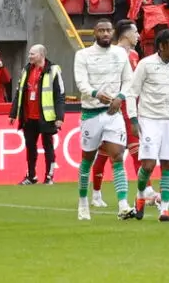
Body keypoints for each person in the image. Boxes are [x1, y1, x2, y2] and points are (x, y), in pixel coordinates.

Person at [122, 25, 169, 222]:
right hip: (149, 119)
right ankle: (140, 195)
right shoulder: (146, 64)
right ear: (161, 46)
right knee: (149, 165)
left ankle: (165, 210)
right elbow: (132, 92)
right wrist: (133, 119)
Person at [70, 16, 133, 219]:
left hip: (113, 113)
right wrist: (97, 94)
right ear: (95, 33)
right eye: (101, 31)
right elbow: (81, 83)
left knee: (117, 157)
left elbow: (128, 80)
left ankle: (123, 204)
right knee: (87, 160)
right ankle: (82, 202)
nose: (105, 34)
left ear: (113, 33)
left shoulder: (120, 54)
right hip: (91, 113)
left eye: (108, 30)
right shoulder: (83, 55)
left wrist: (120, 98)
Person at [15, 42, 63, 185]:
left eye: (32, 54)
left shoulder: (53, 70)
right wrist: (13, 114)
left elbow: (60, 95)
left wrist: (60, 117)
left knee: (48, 146)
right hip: (29, 116)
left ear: (41, 55)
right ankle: (31, 176)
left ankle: (49, 176)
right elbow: (19, 92)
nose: (29, 56)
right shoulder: (26, 70)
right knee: (30, 147)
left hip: (46, 116)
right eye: (29, 53)